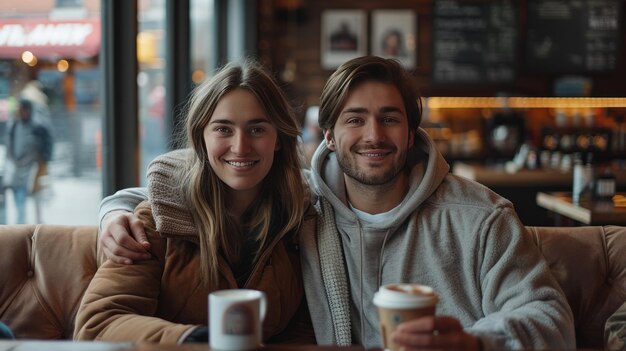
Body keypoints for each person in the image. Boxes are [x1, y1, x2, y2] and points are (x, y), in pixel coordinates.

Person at [96, 56, 575, 350]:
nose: (373, 136)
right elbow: (201, 182)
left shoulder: (480, 217)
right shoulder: (306, 205)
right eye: (355, 119)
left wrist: (477, 344)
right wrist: (115, 207)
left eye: (390, 119)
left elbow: (550, 320)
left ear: (412, 133)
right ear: (327, 133)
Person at [74, 60, 314, 343]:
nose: (240, 146)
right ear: (201, 137)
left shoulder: (302, 219)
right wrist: (194, 340)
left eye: (257, 129)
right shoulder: (161, 217)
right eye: (223, 129)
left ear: (277, 138)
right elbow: (97, 325)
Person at [2, 98, 53, 224]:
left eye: (23, 110)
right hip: (15, 169)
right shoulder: (14, 125)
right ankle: (19, 226)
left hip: (31, 169)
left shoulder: (37, 128)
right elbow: (10, 145)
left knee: (31, 198)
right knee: (18, 199)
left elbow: (41, 148)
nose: (21, 113)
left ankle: (26, 226)